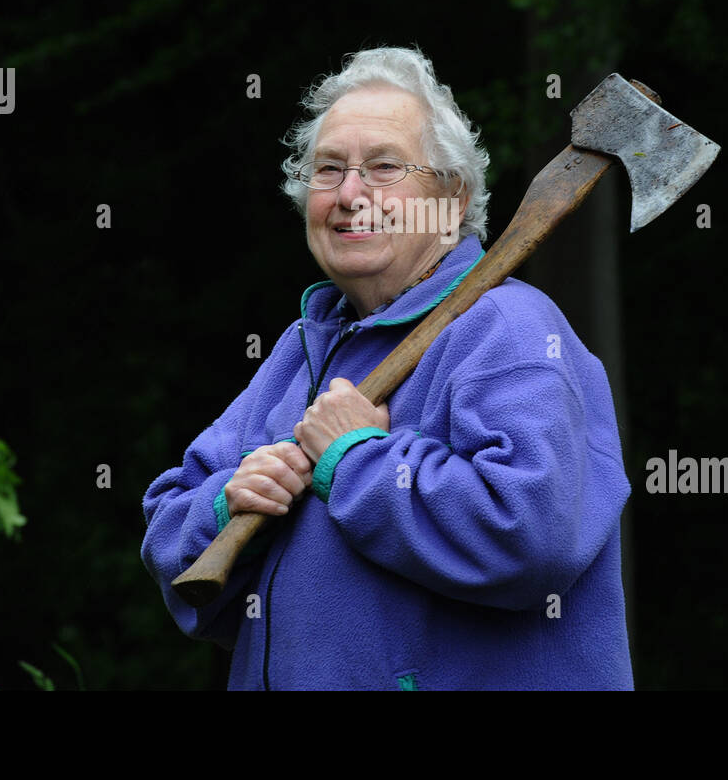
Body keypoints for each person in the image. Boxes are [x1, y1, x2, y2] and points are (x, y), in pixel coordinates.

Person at [141, 46, 633, 689]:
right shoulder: (305, 347)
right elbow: (173, 536)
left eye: (383, 168)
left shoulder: (509, 329)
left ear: (451, 201)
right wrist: (228, 503)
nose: (349, 194)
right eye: (328, 170)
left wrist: (354, 459)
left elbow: (532, 533)